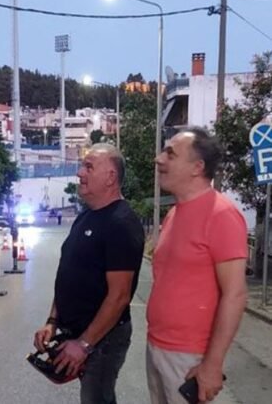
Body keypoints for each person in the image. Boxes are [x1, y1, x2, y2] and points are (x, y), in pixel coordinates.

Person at [34, 143, 145, 404]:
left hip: (102, 340)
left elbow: (119, 296)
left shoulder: (121, 223)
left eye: (89, 167)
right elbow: (68, 276)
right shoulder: (86, 217)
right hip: (80, 333)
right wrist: (52, 321)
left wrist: (84, 344)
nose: (80, 173)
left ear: (110, 177)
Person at [147, 128, 248, 404]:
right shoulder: (173, 214)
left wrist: (212, 365)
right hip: (157, 347)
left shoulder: (221, 215)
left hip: (190, 357)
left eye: (170, 154)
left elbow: (235, 294)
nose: (158, 159)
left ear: (197, 167)